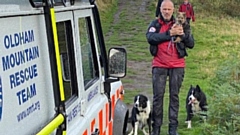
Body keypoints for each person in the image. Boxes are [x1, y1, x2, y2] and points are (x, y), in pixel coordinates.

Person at [146, 0, 194, 135]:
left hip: (177, 65)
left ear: (173, 10)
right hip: (159, 64)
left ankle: (173, 129)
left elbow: (191, 44)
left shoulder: (181, 23)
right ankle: (156, 129)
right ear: (160, 10)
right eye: (164, 9)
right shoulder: (154, 24)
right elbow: (151, 38)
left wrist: (183, 35)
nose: (166, 11)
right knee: (158, 97)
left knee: (174, 97)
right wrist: (169, 34)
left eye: (169, 9)